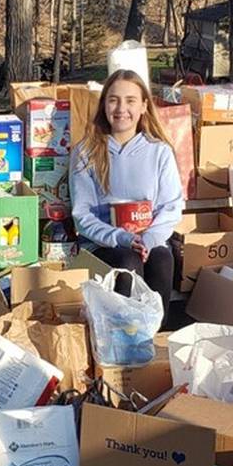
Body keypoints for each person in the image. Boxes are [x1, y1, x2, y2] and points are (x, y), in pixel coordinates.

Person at [70, 69, 183, 309]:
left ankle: (152, 336)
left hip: (149, 241)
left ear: (143, 106)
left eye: (130, 100)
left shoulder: (160, 152)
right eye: (114, 100)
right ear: (104, 106)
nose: (121, 108)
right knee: (127, 261)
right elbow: (82, 215)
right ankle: (121, 336)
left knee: (162, 258)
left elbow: (171, 206)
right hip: (104, 246)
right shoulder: (86, 152)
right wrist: (121, 238)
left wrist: (149, 239)